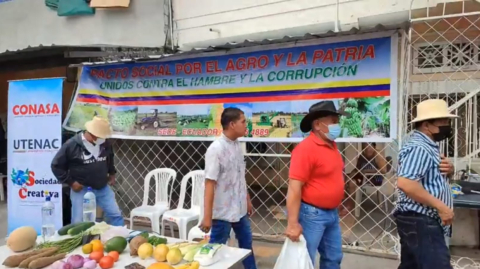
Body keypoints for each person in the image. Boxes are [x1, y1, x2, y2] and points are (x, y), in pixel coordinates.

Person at [285, 101, 348, 268]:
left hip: (332, 214)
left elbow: (331, 177)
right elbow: (294, 187)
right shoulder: (305, 149)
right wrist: (292, 223)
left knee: (333, 257)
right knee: (305, 259)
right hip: (312, 215)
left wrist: (337, 201)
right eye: (333, 121)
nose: (337, 125)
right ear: (318, 124)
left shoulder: (332, 146)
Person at [394, 99, 456, 269]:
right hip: (420, 218)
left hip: (419, 219)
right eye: (443, 122)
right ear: (427, 125)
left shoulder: (428, 146)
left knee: (412, 265)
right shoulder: (419, 147)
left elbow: (427, 179)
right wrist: (441, 207)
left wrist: (449, 170)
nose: (447, 125)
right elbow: (406, 183)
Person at [199, 107, 256, 269]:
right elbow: (210, 183)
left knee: (247, 246)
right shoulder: (216, 149)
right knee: (215, 250)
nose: (247, 125)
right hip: (222, 213)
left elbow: (239, 177)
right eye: (243, 121)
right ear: (232, 124)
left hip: (240, 209)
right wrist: (208, 216)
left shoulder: (238, 145)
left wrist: (247, 200)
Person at [51, 116, 124, 226]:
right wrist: (71, 182)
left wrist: (112, 173)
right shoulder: (71, 145)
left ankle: (119, 239)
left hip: (102, 187)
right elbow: (56, 165)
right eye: (101, 136)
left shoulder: (105, 143)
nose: (103, 139)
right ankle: (80, 242)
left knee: (115, 215)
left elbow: (110, 158)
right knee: (79, 222)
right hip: (81, 189)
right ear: (93, 134)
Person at [341, 143, 390, 216]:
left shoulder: (378, 155)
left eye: (370, 147)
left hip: (376, 178)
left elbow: (384, 171)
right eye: (365, 148)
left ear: (374, 147)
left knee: (352, 182)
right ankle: (344, 200)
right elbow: (358, 169)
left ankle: (349, 204)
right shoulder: (362, 155)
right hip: (363, 176)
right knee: (344, 177)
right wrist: (348, 177)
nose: (367, 150)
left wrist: (367, 171)